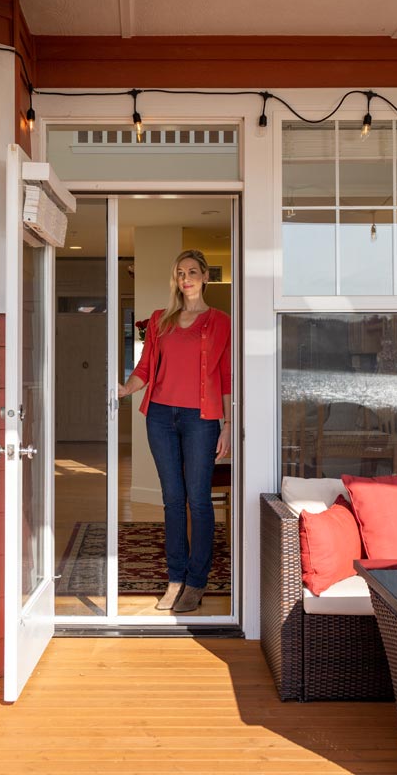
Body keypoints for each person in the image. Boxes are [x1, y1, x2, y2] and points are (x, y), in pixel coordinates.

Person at [118, 249, 231, 612]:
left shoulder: (220, 321)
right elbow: (145, 369)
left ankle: (197, 582)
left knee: (198, 500)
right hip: (161, 417)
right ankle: (175, 579)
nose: (186, 278)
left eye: (193, 271)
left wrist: (226, 425)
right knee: (172, 500)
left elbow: (226, 377)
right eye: (180, 272)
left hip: (201, 419)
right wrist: (122, 389)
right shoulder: (159, 320)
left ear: (205, 277)